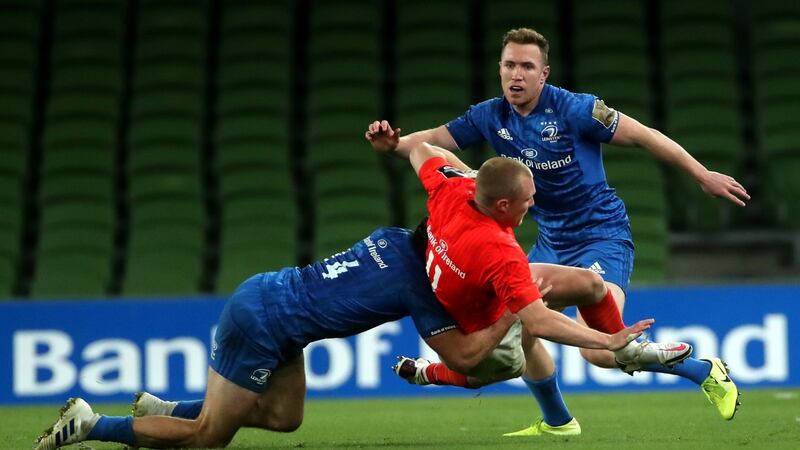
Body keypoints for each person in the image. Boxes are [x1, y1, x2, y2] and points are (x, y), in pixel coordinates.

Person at [366, 27, 743, 426]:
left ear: (543, 74)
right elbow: (433, 140)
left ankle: (702, 370)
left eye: (527, 66)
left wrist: (702, 174)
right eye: (510, 65)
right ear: (499, 68)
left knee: (596, 353)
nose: (517, 74)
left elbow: (645, 136)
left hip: (602, 237)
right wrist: (393, 144)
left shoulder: (576, 110)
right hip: (551, 241)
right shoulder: (489, 115)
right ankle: (559, 422)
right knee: (522, 331)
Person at [34, 225, 651, 449]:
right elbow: (464, 354)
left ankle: (165, 410)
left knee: (284, 419)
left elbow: (444, 176)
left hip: (276, 306)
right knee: (207, 439)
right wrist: (513, 316)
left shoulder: (394, 237)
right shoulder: (422, 288)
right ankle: (95, 424)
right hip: (264, 321)